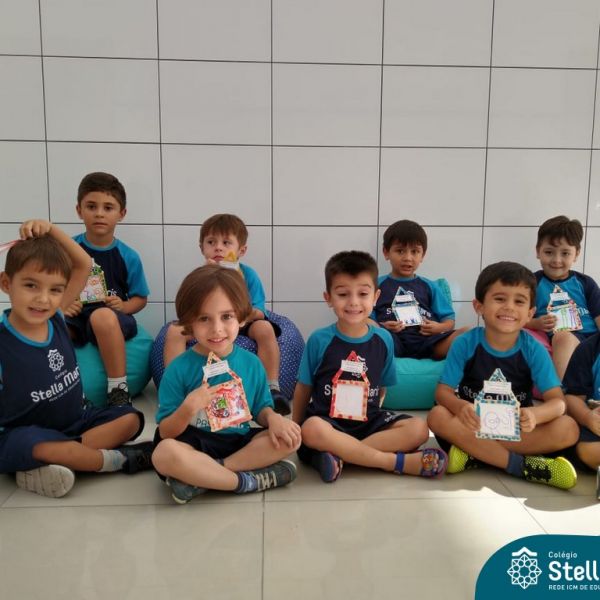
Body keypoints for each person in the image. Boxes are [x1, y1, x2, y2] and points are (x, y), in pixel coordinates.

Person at [0, 220, 152, 498]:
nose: (43, 299)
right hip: (27, 434)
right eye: (31, 285)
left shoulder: (56, 318)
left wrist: (50, 229)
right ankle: (115, 461)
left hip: (78, 422)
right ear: (6, 283)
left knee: (130, 419)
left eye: (55, 290)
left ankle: (60, 460)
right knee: (37, 445)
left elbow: (83, 263)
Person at [292, 250, 447, 483]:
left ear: (375, 297)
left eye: (363, 294)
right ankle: (394, 462)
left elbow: (382, 388)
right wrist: (295, 428)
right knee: (311, 429)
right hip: (328, 423)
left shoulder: (384, 339)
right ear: (328, 298)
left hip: (369, 422)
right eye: (343, 294)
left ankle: (342, 456)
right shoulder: (319, 340)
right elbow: (304, 387)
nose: (354, 302)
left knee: (418, 429)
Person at [151, 264, 301, 504]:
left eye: (226, 316)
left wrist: (273, 418)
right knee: (163, 454)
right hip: (193, 442)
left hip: (237, 443)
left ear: (241, 318)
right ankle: (245, 482)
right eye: (204, 318)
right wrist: (188, 408)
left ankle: (205, 477)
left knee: (289, 438)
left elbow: (260, 409)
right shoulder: (178, 369)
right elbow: (167, 431)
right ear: (189, 323)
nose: (217, 329)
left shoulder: (252, 363)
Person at [428, 261, 580, 490]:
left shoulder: (533, 349)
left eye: (519, 301)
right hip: (473, 425)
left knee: (568, 428)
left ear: (530, 313)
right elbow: (442, 393)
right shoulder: (465, 343)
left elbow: (558, 403)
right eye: (499, 299)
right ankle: (524, 466)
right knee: (437, 416)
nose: (509, 307)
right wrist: (460, 407)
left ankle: (476, 454)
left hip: (516, 430)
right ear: (479, 306)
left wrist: (536, 415)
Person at [163, 213, 290, 415]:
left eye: (226, 243)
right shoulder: (200, 276)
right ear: (202, 248)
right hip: (208, 322)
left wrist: (237, 315)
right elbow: (191, 307)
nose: (218, 248)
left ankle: (271, 387)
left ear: (241, 250)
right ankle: (173, 387)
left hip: (244, 320)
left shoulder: (248, 275)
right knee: (174, 331)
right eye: (211, 242)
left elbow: (259, 311)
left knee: (265, 328)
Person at [64, 172, 150, 407]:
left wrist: (124, 306)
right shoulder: (67, 250)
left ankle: (118, 390)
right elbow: (52, 287)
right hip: (76, 317)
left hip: (112, 319)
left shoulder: (128, 256)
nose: (99, 213)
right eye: (91, 206)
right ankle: (63, 388)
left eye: (108, 207)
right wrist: (64, 304)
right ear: (79, 210)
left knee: (102, 316)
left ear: (121, 213)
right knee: (53, 325)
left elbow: (140, 298)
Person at [373, 219, 466, 359]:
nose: (408, 258)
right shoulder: (376, 285)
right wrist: (382, 326)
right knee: (370, 333)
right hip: (390, 341)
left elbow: (449, 320)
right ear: (386, 252)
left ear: (422, 255)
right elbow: (366, 320)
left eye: (415, 251)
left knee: (467, 333)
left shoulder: (430, 286)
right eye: (400, 251)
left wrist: (438, 328)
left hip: (427, 341)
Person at [527, 215, 600, 379]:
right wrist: (535, 323)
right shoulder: (531, 283)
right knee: (563, 337)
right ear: (538, 251)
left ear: (576, 254)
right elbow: (518, 318)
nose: (556, 260)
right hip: (562, 340)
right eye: (549, 252)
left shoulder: (585, 283)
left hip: (592, 339)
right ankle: (561, 390)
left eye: (565, 253)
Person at [562, 333, 600, 476]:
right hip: (595, 425)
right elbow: (573, 397)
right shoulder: (590, 348)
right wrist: (587, 417)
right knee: (585, 450)